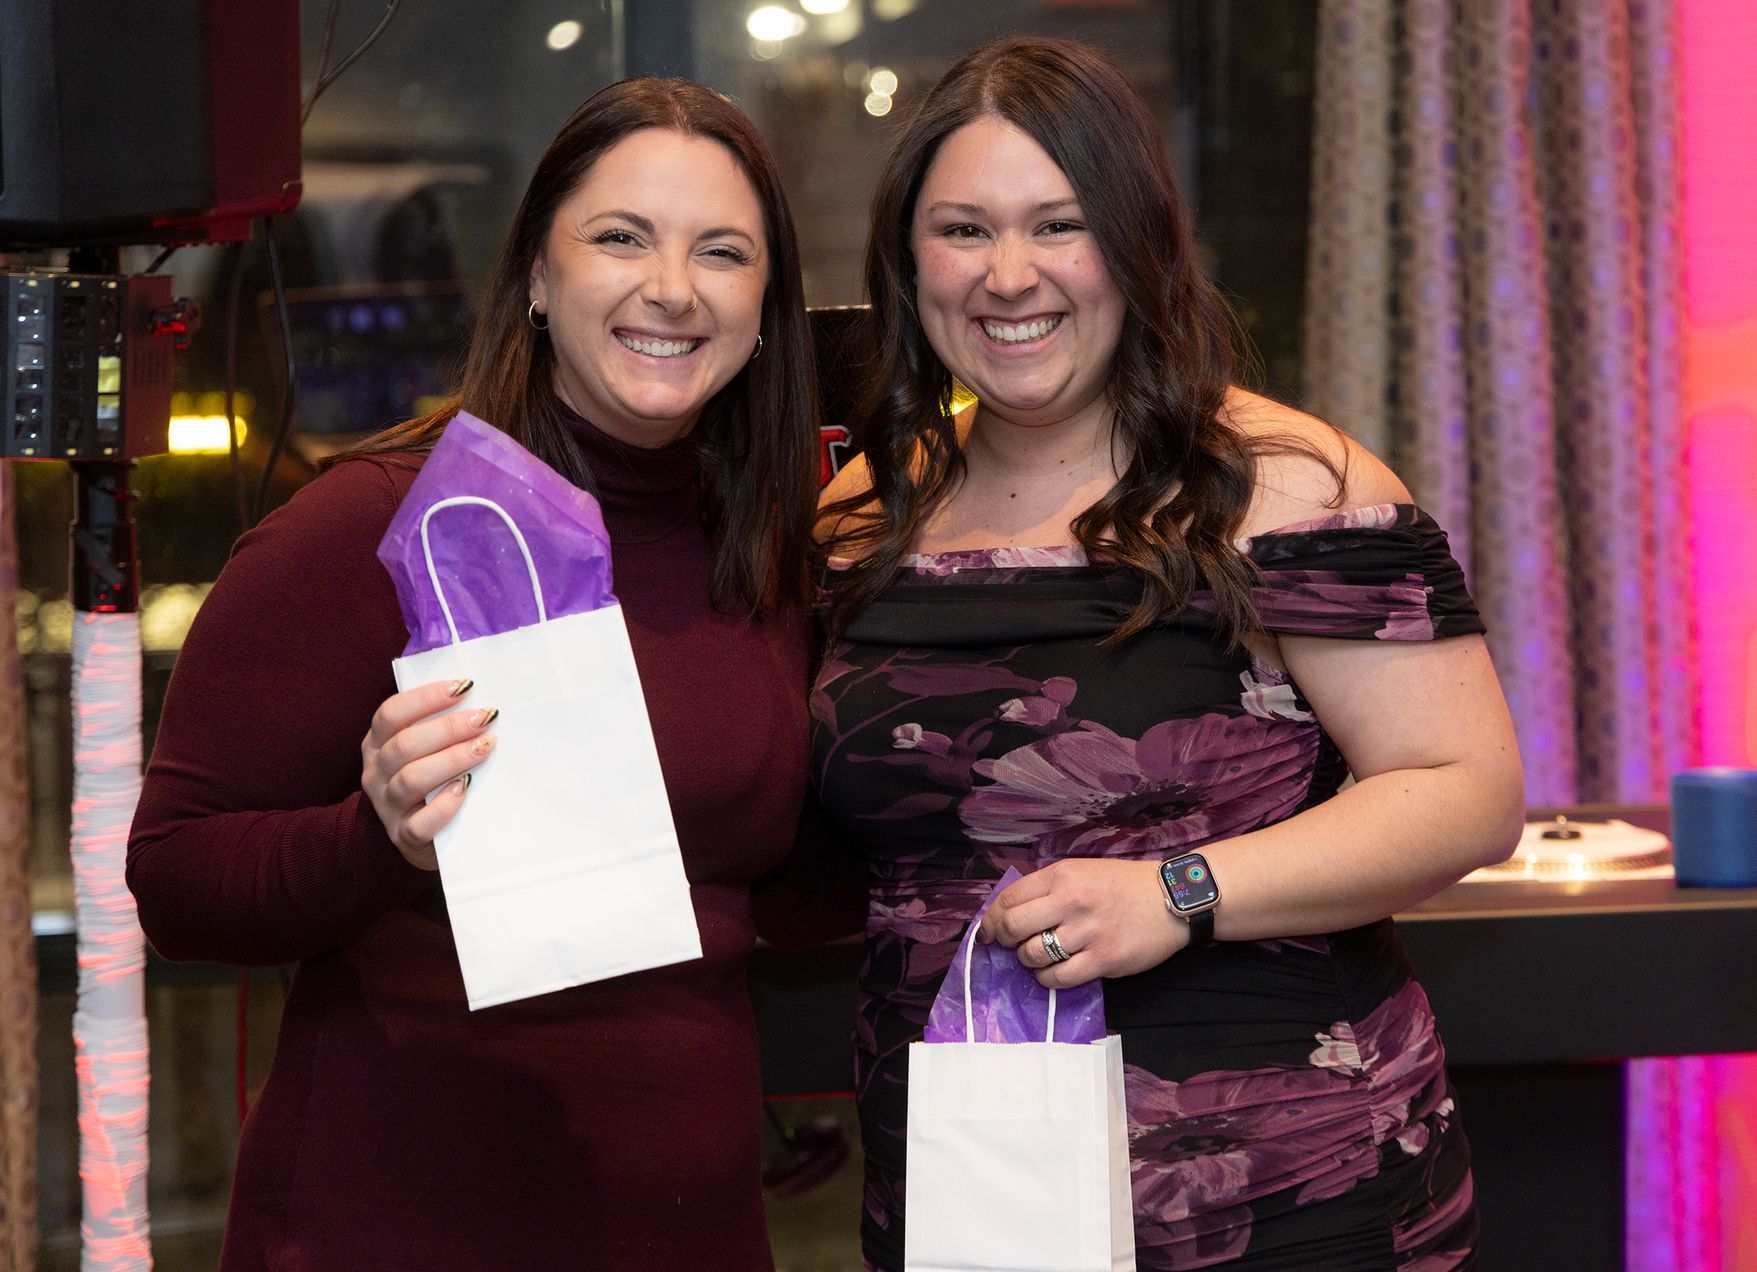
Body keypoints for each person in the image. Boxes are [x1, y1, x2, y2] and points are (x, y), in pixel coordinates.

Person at [812, 37, 1525, 1271]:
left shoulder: (1289, 485)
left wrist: (1177, 893)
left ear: (1138, 246)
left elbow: (1467, 794)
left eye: (1059, 225)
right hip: (971, 1189)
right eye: (964, 230)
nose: (1009, 274)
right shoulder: (865, 509)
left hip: (1292, 1187)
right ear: (907, 260)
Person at [127, 78, 818, 1271]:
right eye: (619, 238)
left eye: (723, 251)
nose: (673, 287)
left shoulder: (769, 551)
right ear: (539, 280)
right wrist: (377, 836)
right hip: (399, 1226)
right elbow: (176, 877)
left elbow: (777, 885)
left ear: (766, 305)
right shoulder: (380, 526)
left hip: (690, 1229)